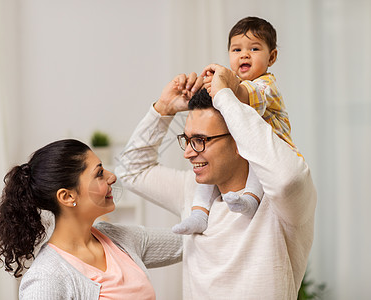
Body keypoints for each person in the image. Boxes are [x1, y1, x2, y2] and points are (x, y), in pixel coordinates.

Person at [115, 66, 316, 299]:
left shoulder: (281, 201)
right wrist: (164, 109)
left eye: (200, 140)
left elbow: (287, 180)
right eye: (187, 140)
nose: (188, 153)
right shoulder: (192, 190)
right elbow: (131, 170)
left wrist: (224, 97)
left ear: (240, 140)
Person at [0, 139, 182, 300]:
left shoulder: (119, 238)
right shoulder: (46, 278)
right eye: (99, 174)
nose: (112, 177)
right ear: (67, 197)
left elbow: (189, 241)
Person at [173, 16, 298, 235]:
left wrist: (224, 86)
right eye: (236, 50)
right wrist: (201, 86)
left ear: (272, 56)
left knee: (257, 166)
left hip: (271, 152)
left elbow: (245, 95)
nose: (244, 55)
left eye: (255, 48)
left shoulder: (266, 85)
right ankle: (200, 214)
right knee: (207, 165)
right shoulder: (234, 85)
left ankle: (250, 199)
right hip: (246, 149)